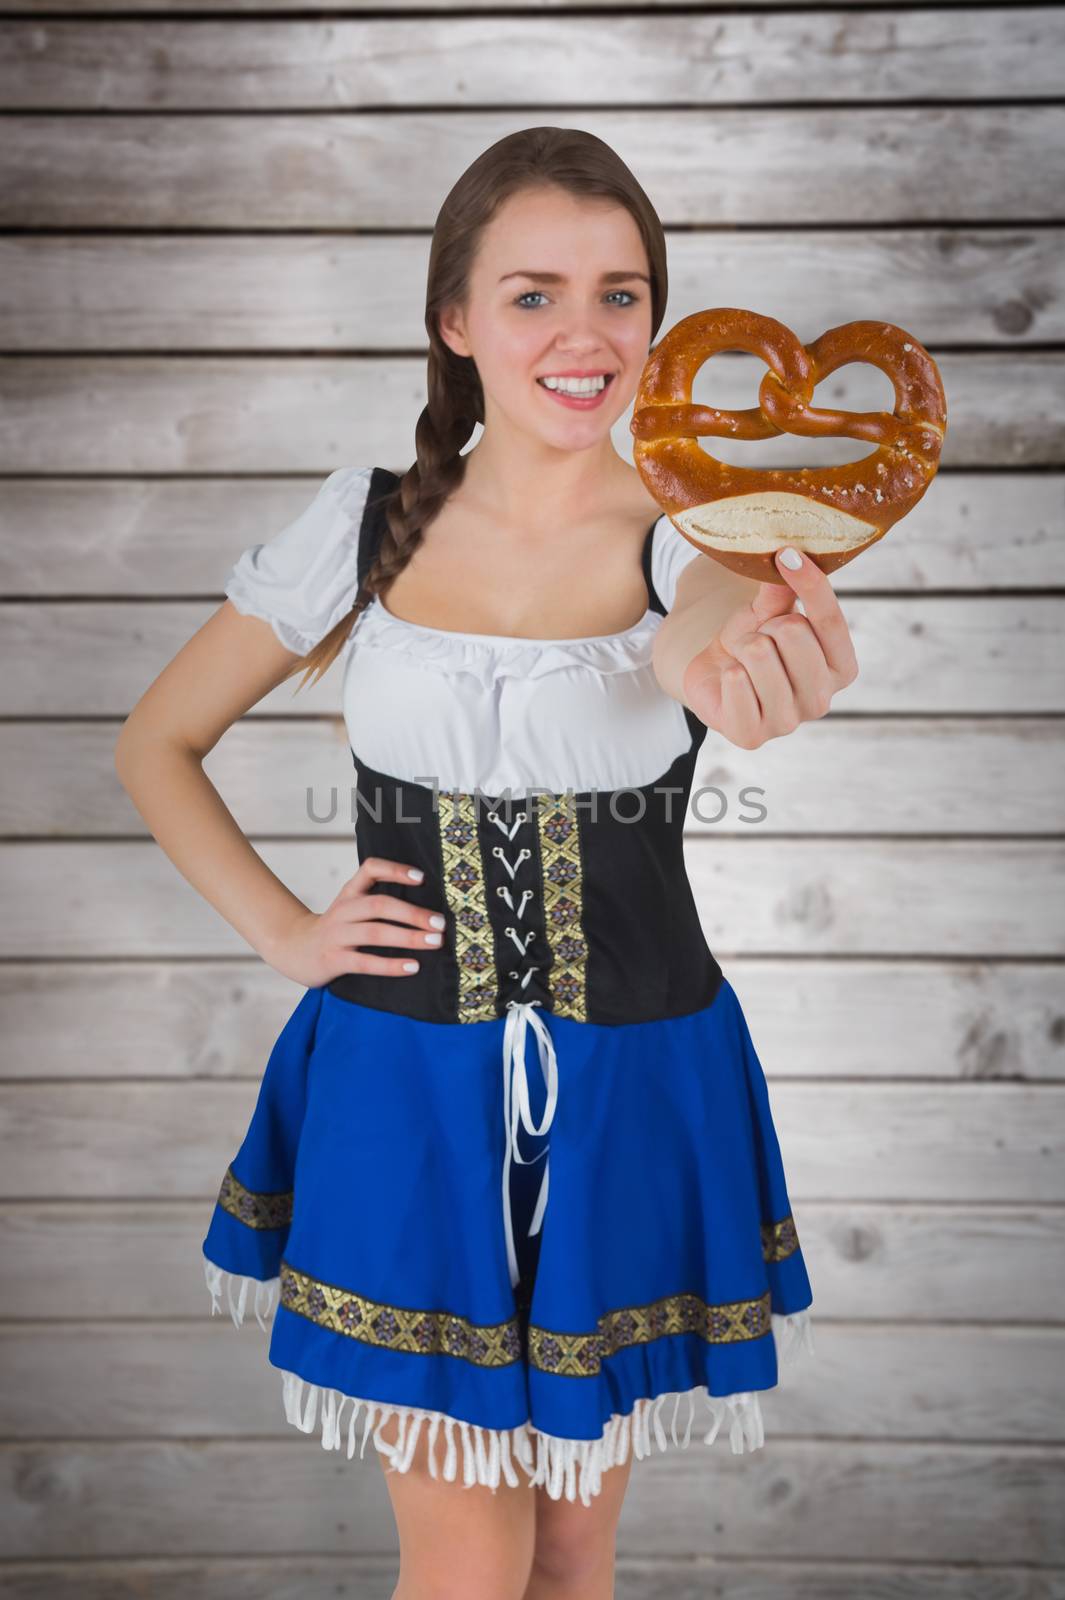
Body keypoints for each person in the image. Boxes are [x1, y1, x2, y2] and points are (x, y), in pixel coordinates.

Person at [115, 126, 853, 1600]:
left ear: (660, 317)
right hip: (403, 1081)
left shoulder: (692, 541)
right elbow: (156, 745)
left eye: (620, 293)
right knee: (464, 1556)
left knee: (574, 1545)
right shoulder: (368, 526)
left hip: (637, 1077)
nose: (584, 333)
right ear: (454, 319)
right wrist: (281, 933)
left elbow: (716, 650)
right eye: (532, 294)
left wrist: (769, 667)